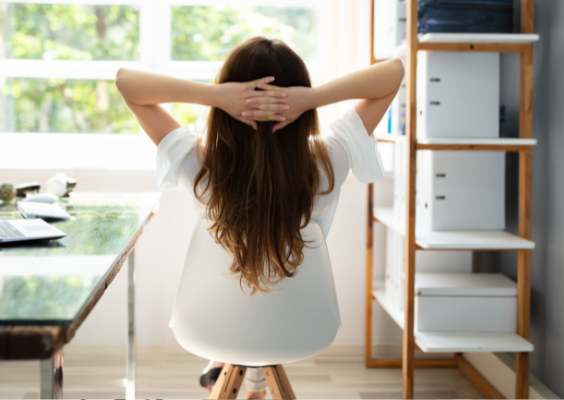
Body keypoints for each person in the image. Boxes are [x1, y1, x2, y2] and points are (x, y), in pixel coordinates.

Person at [115, 37, 404, 399]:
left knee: (236, 292)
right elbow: (394, 73)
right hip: (299, 325)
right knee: (262, 294)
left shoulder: (203, 166)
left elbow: (126, 82)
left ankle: (223, 365)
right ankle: (248, 380)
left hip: (212, 325)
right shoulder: (327, 162)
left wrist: (218, 96)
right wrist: (309, 98)